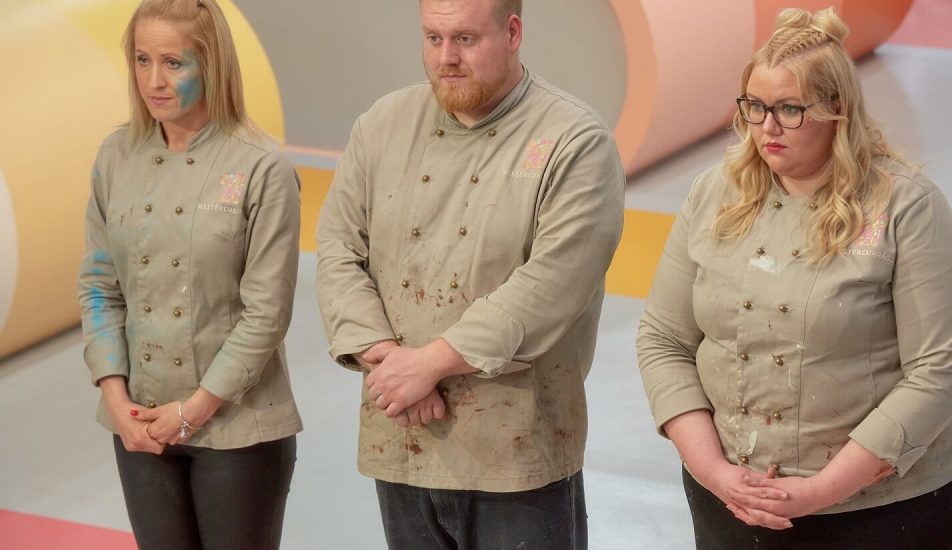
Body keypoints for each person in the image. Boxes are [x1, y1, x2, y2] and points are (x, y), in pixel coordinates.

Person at [636, 7, 952, 550]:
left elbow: (941, 369)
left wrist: (822, 490)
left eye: (790, 109)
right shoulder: (712, 193)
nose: (767, 127)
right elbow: (663, 339)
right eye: (754, 106)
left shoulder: (907, 207)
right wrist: (714, 471)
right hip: (734, 501)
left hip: (885, 511)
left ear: (838, 110)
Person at [316, 0, 625, 547]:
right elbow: (339, 250)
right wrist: (390, 363)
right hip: (402, 434)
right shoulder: (382, 125)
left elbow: (552, 285)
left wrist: (428, 365)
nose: (446, 58)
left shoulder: (574, 140)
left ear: (513, 32)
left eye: (464, 39)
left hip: (517, 452)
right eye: (432, 38)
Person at [78, 1, 301, 548]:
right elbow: (100, 287)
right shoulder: (116, 155)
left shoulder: (261, 166)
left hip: (238, 428)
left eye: (174, 63)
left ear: (212, 64)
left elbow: (267, 312)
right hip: (140, 423)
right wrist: (116, 399)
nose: (154, 80)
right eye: (142, 59)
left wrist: (195, 409)